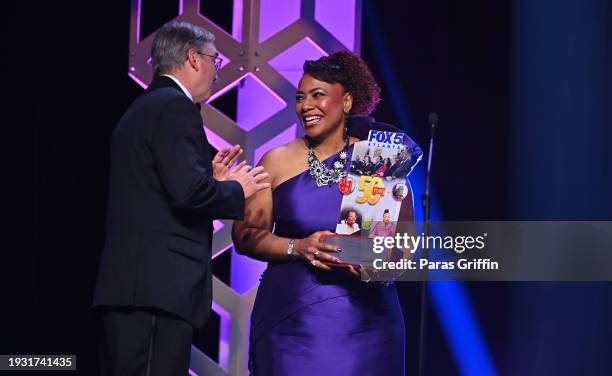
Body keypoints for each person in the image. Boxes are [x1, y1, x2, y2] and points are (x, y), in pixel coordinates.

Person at [92, 21, 269, 376]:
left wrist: (212, 180)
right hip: (154, 291)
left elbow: (167, 190)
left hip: (138, 290)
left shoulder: (145, 106)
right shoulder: (175, 108)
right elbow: (189, 194)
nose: (217, 74)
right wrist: (237, 188)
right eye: (214, 62)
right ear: (193, 58)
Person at [232, 51, 419, 375]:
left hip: (368, 322)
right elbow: (246, 236)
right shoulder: (276, 160)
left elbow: (405, 246)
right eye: (300, 97)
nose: (306, 106)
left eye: (318, 95)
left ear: (347, 101)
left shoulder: (379, 158)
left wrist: (380, 266)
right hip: (293, 322)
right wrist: (298, 247)